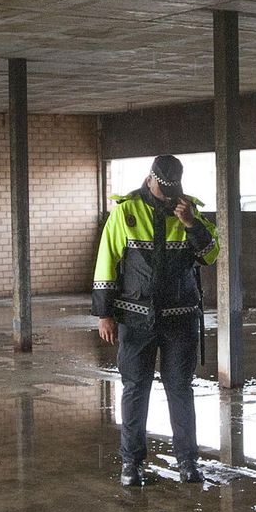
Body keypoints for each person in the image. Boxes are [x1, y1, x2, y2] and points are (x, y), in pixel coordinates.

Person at [92, 154, 219, 486]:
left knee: (181, 389)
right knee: (136, 389)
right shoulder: (126, 212)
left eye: (173, 189)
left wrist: (191, 223)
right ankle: (131, 464)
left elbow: (210, 255)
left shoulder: (188, 210)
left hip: (180, 320)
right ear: (150, 179)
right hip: (136, 320)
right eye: (164, 190)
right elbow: (106, 260)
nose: (168, 196)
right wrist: (105, 313)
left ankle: (188, 462)